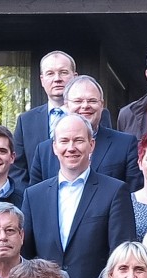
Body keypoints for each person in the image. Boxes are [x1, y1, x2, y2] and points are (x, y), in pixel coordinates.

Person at [21, 114, 137, 278]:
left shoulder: (115, 191)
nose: (71, 147)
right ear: (54, 147)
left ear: (92, 144)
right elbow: (26, 255)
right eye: (64, 141)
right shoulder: (34, 195)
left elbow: (122, 253)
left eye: (79, 140)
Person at [11, 50, 112, 187]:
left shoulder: (94, 115)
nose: (57, 78)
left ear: (75, 76)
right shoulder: (26, 121)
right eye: (50, 73)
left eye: (63, 72)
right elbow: (18, 170)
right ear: (42, 80)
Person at [28, 75, 140, 192]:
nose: (85, 106)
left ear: (101, 105)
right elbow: (36, 198)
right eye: (78, 101)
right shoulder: (44, 151)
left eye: (92, 100)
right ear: (66, 105)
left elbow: (133, 194)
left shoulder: (125, 145)